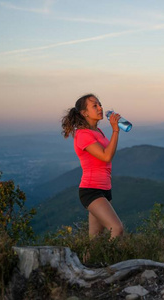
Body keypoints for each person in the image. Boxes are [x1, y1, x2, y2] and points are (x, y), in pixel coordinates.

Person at [61, 93, 124, 238]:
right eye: (94, 106)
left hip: (105, 189)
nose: (100, 108)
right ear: (84, 113)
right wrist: (115, 130)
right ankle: (112, 260)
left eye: (100, 104)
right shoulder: (83, 134)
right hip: (91, 190)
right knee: (117, 229)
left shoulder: (97, 131)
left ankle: (87, 261)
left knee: (95, 240)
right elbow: (106, 156)